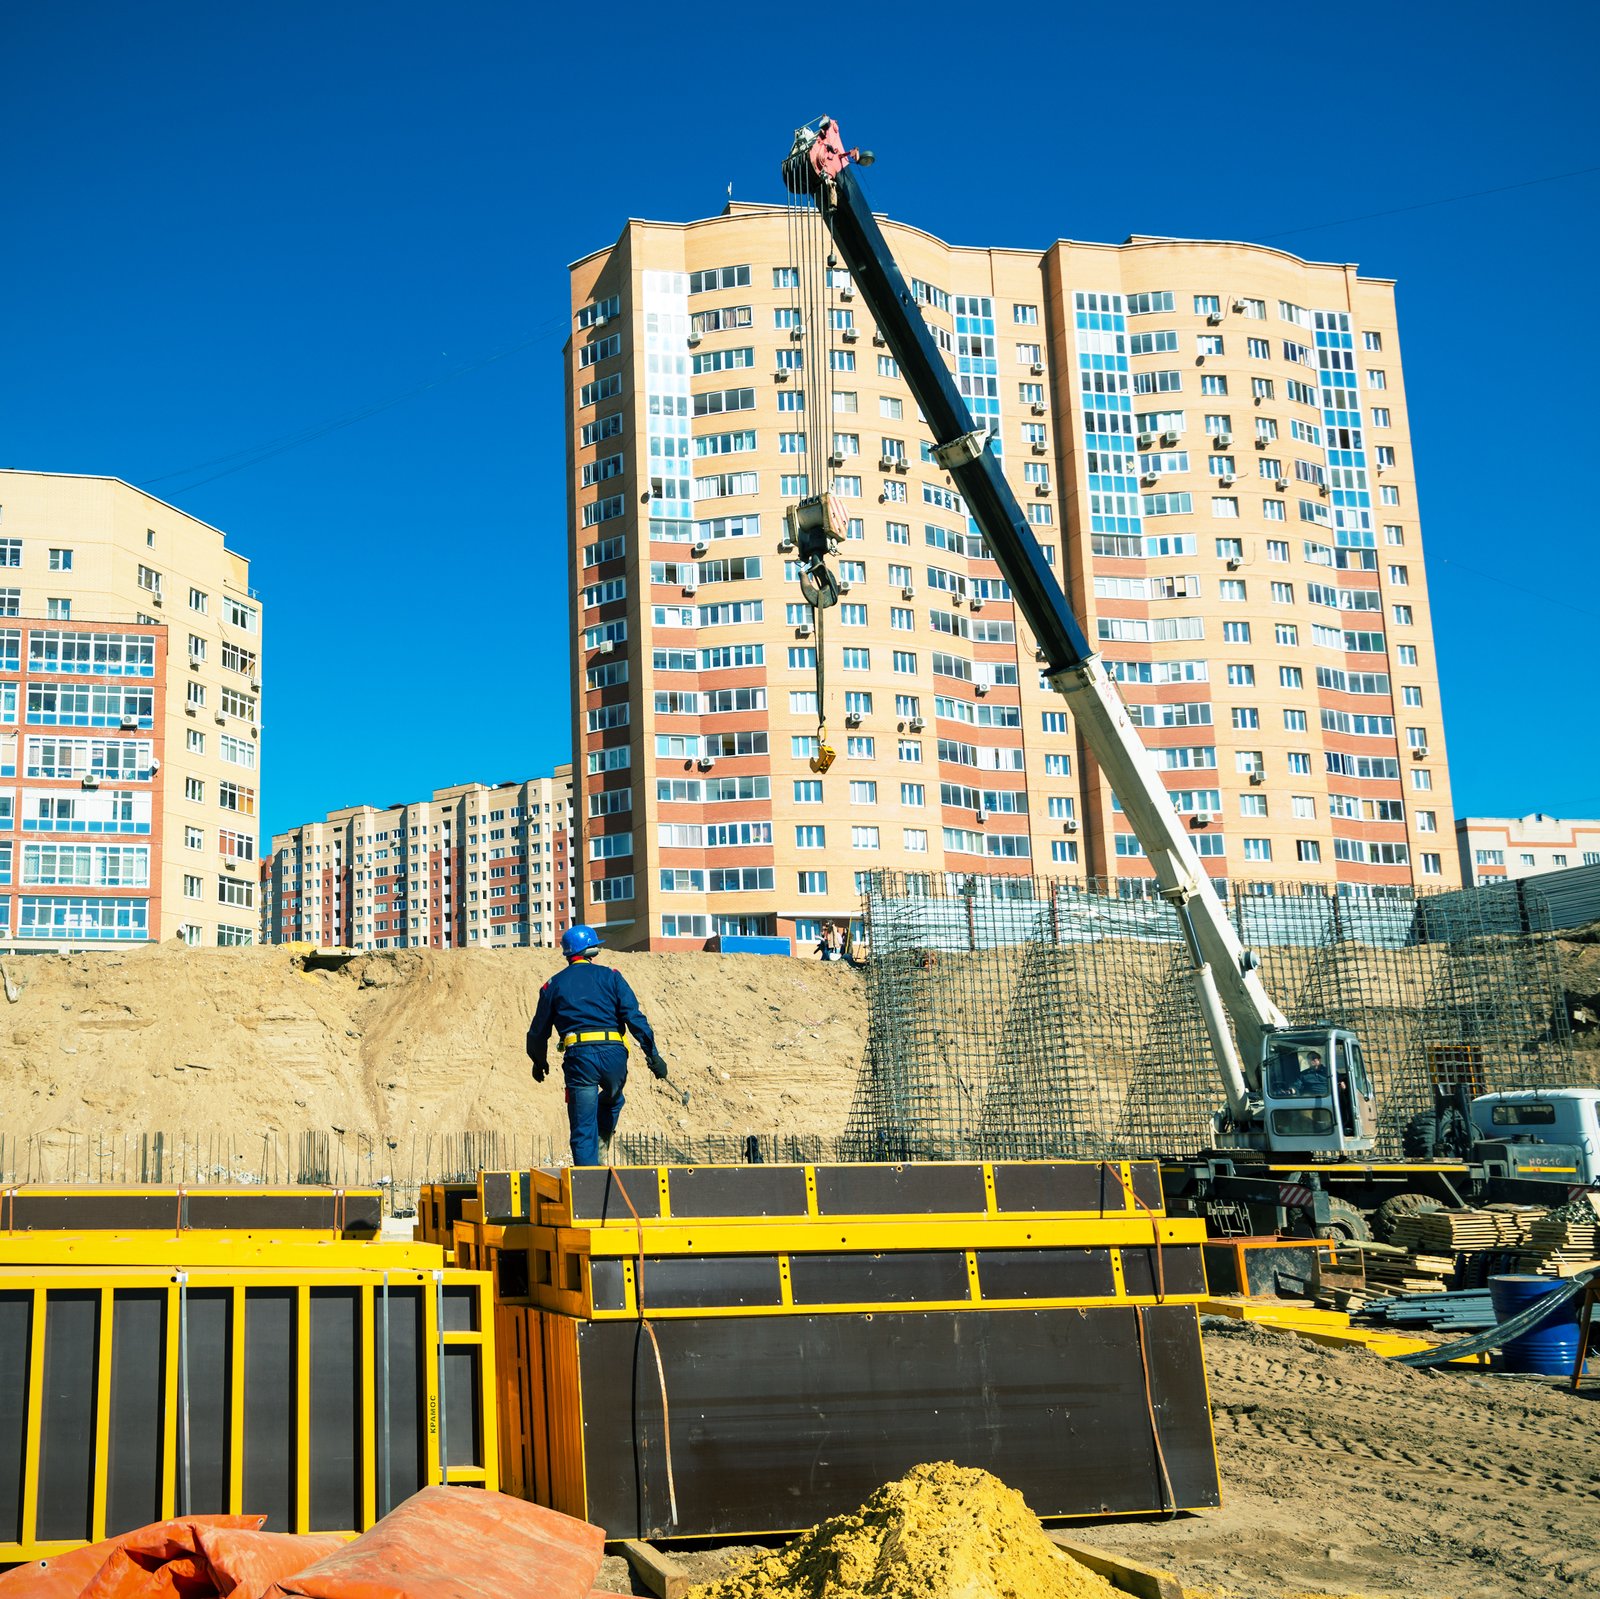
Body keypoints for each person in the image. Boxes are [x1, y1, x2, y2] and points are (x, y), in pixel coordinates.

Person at [526, 924, 668, 1166]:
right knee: (614, 1099)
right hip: (614, 1056)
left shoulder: (553, 985)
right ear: (592, 951)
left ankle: (588, 1184)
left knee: (582, 1128)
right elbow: (634, 1018)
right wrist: (653, 1055)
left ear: (569, 953)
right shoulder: (611, 976)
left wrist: (539, 1062)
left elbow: (538, 1032)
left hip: (580, 1060)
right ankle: (603, 1136)